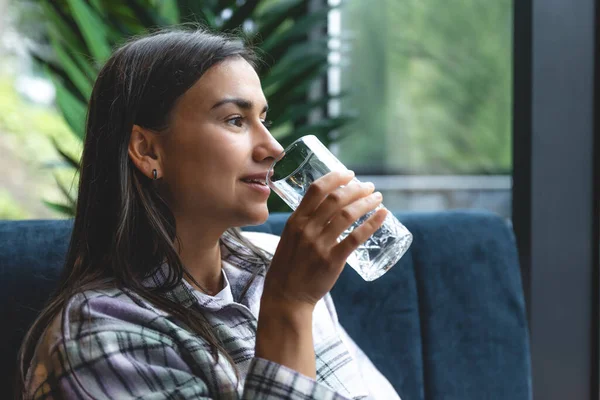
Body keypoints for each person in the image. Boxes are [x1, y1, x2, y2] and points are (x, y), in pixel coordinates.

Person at [16, 28, 401, 399]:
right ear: (147, 150)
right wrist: (289, 307)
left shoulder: (271, 259)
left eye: (263, 120)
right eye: (235, 120)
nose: (274, 149)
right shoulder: (100, 338)